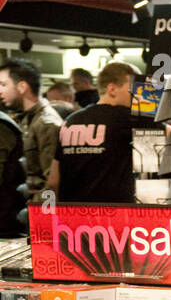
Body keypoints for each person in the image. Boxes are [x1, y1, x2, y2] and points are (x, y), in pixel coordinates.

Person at [46, 62, 136, 204]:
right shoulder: (126, 118)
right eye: (132, 89)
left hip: (72, 217)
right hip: (112, 216)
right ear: (112, 89)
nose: (136, 95)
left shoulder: (70, 121)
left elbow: (53, 181)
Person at [0, 58, 62, 198]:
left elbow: (52, 182)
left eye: (3, 85)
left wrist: (43, 215)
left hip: (35, 209)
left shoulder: (46, 123)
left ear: (22, 87)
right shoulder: (26, 119)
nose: (0, 91)